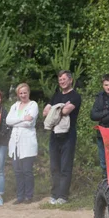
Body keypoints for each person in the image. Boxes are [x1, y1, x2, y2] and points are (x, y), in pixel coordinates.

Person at [43, 70, 81, 205]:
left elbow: (65, 111)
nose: (62, 82)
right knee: (54, 166)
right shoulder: (56, 96)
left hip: (68, 136)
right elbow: (45, 112)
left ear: (70, 80)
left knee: (65, 166)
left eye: (64, 79)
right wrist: (58, 108)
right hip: (54, 135)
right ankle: (54, 194)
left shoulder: (76, 96)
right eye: (60, 80)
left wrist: (55, 110)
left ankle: (63, 196)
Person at [7, 83, 38, 204]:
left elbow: (29, 123)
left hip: (27, 141)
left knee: (27, 170)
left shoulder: (33, 105)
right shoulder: (15, 106)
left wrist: (17, 121)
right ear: (18, 95)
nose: (23, 95)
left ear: (28, 92)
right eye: (21, 93)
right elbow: (8, 121)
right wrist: (22, 119)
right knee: (17, 171)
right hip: (15, 143)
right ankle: (20, 196)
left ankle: (28, 196)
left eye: (25, 92)